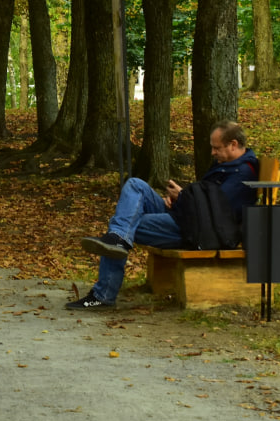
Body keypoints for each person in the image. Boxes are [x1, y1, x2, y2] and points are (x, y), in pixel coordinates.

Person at [66, 121, 260, 309]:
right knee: (135, 185)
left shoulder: (243, 173)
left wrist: (183, 196)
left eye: (216, 148)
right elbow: (206, 199)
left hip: (197, 232)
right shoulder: (228, 165)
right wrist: (181, 200)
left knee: (124, 225)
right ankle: (118, 240)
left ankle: (103, 294)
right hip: (186, 217)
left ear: (233, 144)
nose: (212, 152)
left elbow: (216, 213)